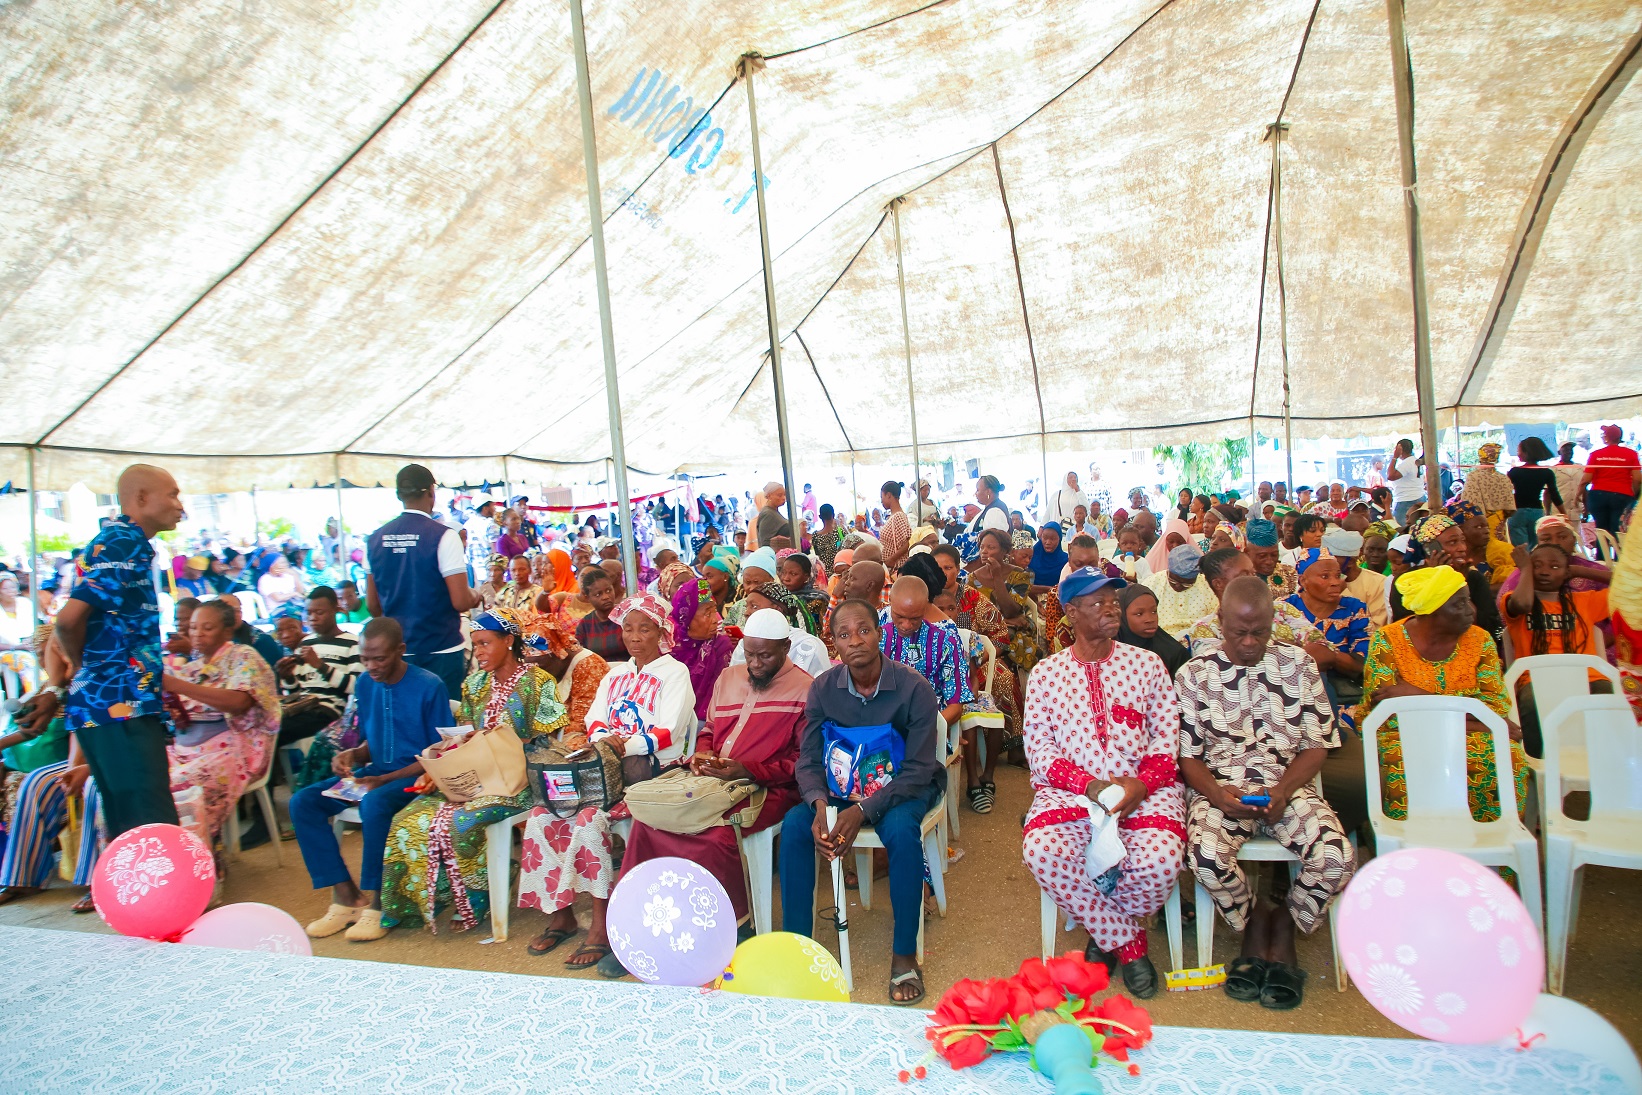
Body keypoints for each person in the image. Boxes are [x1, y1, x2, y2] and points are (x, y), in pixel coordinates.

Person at [1177, 576, 1357, 1011]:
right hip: (1221, 789)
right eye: (1239, 632)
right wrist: (1217, 794)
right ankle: (1255, 920)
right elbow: (1187, 758)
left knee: (1338, 856)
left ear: (1274, 621)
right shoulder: (1193, 675)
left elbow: (1316, 747)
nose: (1251, 642)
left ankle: (1285, 926)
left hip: (1287, 785)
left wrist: (1282, 789)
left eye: (1260, 631)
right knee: (1203, 854)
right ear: (1219, 622)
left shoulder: (1299, 664)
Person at [1021, 568, 1184, 998]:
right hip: (1072, 792)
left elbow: (1167, 739)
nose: (1112, 610)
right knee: (1042, 850)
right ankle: (1128, 943)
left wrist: (1140, 785)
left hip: (1144, 791)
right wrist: (1089, 785)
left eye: (1114, 601)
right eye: (1099, 604)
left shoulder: (1148, 665)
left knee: (1162, 859)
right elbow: (1039, 749)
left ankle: (1103, 933)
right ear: (1072, 613)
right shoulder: (1045, 674)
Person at [518, 593, 696, 970]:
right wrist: (606, 740)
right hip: (601, 769)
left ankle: (601, 925)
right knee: (541, 815)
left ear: (661, 631)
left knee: (588, 820)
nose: (633, 636)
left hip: (649, 774)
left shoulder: (674, 672)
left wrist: (622, 743)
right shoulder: (616, 674)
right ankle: (561, 914)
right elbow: (594, 720)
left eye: (644, 628)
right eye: (628, 628)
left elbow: (669, 731)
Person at [782, 598, 944, 1004]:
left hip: (903, 789)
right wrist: (820, 805)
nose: (855, 641)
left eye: (864, 630)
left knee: (902, 833)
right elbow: (809, 758)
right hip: (842, 790)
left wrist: (863, 811)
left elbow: (920, 768)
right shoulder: (823, 688)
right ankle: (800, 950)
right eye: (843, 634)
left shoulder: (912, 687)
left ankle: (904, 955)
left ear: (880, 632)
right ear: (832, 642)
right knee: (796, 826)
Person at [619, 608, 809, 939]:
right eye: (749, 653)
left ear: (785, 649)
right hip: (711, 779)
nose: (755, 664)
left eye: (764, 655)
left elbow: (801, 763)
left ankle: (729, 930)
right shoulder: (729, 678)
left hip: (769, 788)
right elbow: (708, 729)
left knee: (715, 833)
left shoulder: (807, 689)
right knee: (649, 819)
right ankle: (641, 924)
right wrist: (703, 752)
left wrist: (748, 771)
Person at [379, 608, 569, 935]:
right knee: (407, 819)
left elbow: (548, 740)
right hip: (473, 775)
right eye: (474, 644)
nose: (478, 652)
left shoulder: (539, 681)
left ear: (509, 640)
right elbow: (461, 734)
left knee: (461, 821)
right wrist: (437, 770)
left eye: (485, 643)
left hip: (518, 780)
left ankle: (479, 891)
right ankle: (414, 899)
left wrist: (501, 742)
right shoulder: (474, 683)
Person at [19, 465, 184, 838]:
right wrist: (82, 666)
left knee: (130, 819)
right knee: (151, 818)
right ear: (141, 498)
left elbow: (81, 620)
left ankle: (143, 896)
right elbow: (67, 620)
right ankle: (163, 896)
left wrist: (76, 676)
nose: (180, 505)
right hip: (120, 703)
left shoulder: (114, 541)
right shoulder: (125, 542)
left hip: (112, 704)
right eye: (172, 494)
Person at [292, 617, 450, 941]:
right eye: (365, 658)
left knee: (375, 803)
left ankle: (380, 905)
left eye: (380, 658)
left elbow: (439, 754)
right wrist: (351, 756)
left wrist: (384, 779)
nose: (371, 666)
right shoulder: (365, 684)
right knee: (304, 803)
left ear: (401, 650)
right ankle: (347, 898)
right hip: (375, 775)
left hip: (418, 780)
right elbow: (372, 745)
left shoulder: (429, 684)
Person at [1360, 568, 1528, 826]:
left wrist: (1416, 695)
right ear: (1431, 612)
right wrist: (1476, 720)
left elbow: (1494, 707)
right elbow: (1388, 716)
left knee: (1506, 757)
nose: (1471, 609)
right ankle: (1410, 852)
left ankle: (1490, 850)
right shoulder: (1388, 641)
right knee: (1401, 762)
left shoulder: (1480, 640)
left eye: (1468, 599)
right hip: (1402, 736)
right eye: (1459, 603)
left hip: (1463, 733)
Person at [161, 598, 281, 849]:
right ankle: (163, 860)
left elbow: (239, 703)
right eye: (193, 627)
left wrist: (178, 686)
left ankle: (197, 860)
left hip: (232, 751)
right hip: (185, 751)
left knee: (183, 788)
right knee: (148, 782)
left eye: (207, 628)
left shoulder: (243, 657)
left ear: (227, 631)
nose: (197, 634)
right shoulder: (190, 667)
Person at [365, 464, 477, 699]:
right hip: (442, 649)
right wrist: (475, 595)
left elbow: (374, 606)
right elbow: (460, 601)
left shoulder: (375, 539)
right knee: (444, 725)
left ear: (398, 495)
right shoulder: (444, 536)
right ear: (431, 493)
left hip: (397, 653)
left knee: (405, 724)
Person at [1500, 543, 1612, 757]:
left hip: (1588, 677)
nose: (1543, 571)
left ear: (1566, 572)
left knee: (1607, 696)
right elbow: (1523, 604)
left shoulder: (1584, 601)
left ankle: (1603, 761)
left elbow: (1632, 585)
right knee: (1531, 703)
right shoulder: (1514, 600)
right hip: (1536, 680)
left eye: (1554, 567)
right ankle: (1538, 764)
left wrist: (1578, 570)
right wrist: (1524, 570)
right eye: (1537, 565)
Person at [882, 571, 976, 808]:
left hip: (930, 728)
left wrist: (928, 729)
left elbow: (956, 703)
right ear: (889, 604)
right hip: (882, 727)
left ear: (926, 608)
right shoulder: (878, 636)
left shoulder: (945, 641)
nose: (906, 625)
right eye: (899, 616)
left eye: (914, 619)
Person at [1286, 549, 1373, 730]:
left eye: (1337, 575)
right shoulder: (1285, 609)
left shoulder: (1355, 610)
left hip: (1344, 697)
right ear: (1303, 581)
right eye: (1325, 577)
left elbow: (1362, 665)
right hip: (1292, 694)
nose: (1335, 583)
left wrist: (1325, 654)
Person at [272, 586, 361, 753]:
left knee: (272, 732)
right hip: (303, 707)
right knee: (265, 726)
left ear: (336, 610)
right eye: (309, 613)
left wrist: (320, 666)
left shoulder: (353, 643)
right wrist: (288, 678)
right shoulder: (306, 644)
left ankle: (272, 775)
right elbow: (296, 692)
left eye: (319, 613)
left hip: (330, 711)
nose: (313, 618)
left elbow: (357, 687)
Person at [1188, 547, 1323, 654]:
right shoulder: (1205, 628)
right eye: (1244, 575)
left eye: (1253, 573)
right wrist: (1289, 648)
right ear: (1218, 584)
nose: (1253, 579)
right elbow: (1222, 670)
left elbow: (1324, 651)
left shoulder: (1282, 610)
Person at [522, 608, 611, 730]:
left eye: (541, 667)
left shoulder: (589, 666)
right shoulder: (539, 669)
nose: (538, 673)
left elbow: (584, 724)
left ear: (558, 653)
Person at [671, 577, 735, 726]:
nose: (715, 620)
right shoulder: (668, 646)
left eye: (715, 611)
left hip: (704, 722)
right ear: (686, 618)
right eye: (707, 613)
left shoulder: (720, 646)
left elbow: (717, 700)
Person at [1143, 544, 1214, 641]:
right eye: (1173, 581)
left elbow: (1215, 620)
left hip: (1199, 641)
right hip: (1159, 640)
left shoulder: (1207, 587)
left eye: (1186, 584)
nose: (1178, 586)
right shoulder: (1152, 584)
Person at [1116, 584, 1188, 678]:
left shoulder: (1174, 654)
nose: (1150, 619)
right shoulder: (1107, 651)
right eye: (1139, 614)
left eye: (1154, 611)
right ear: (1122, 615)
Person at [1583, 424, 1640, 535]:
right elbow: (1637, 479)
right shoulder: (1631, 454)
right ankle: (1617, 552)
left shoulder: (1595, 454)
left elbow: (1586, 480)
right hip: (1622, 495)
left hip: (1598, 496)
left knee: (1601, 530)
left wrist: (1579, 496)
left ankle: (1601, 552)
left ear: (1607, 437)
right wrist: (1634, 494)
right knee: (1618, 530)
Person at [1505, 437, 1562, 546]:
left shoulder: (1515, 472)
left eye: (1519, 451)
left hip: (1517, 511)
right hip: (1537, 512)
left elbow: (1506, 493)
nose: (1518, 454)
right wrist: (1563, 513)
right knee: (1536, 546)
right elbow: (1554, 495)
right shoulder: (1547, 473)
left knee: (1520, 547)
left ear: (1526, 452)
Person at [573, 566, 628, 663]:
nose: (606, 597)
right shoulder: (585, 624)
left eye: (608, 590)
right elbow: (579, 656)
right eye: (598, 594)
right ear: (587, 597)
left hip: (628, 671)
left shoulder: (626, 615)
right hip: (598, 674)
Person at [1244, 519, 1298, 597]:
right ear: (1247, 553)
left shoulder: (1289, 574)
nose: (1269, 561)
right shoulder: (1239, 579)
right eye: (1262, 556)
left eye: (1274, 555)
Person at [778, 551, 829, 626]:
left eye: (793, 574)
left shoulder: (818, 600)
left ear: (806, 576)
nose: (786, 578)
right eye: (783, 572)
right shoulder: (778, 599)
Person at [463, 498, 502, 583]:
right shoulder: (491, 524)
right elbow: (495, 549)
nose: (495, 509)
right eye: (492, 506)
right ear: (485, 508)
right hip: (490, 570)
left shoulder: (467, 524)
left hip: (474, 570)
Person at [1387, 438, 1425, 525]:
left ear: (1400, 449)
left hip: (1406, 500)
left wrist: (1394, 458)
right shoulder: (1414, 460)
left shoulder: (1407, 463)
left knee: (1402, 528)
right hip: (1417, 496)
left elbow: (1391, 476)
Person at [877, 481, 911, 572]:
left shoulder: (898, 516)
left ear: (888, 495)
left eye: (882, 497)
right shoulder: (893, 516)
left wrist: (892, 559)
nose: (881, 501)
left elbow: (908, 542)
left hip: (896, 568)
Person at [1029, 522, 1070, 595]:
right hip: (1032, 599)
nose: (1048, 542)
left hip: (1056, 601)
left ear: (1059, 539)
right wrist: (1048, 589)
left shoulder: (1066, 561)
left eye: (1053, 539)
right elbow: (1024, 586)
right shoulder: (1031, 556)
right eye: (1045, 538)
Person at [1552, 442, 1585, 525]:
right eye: (1566, 450)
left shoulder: (1580, 468)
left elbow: (1584, 489)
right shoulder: (1553, 469)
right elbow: (1548, 493)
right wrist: (1547, 512)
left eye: (1570, 450)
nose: (1569, 452)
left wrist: (1586, 510)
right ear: (1559, 452)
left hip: (1576, 511)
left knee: (1576, 536)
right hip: (1558, 512)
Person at [756, 482, 793, 549]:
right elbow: (765, 543)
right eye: (779, 495)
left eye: (784, 495)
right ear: (769, 496)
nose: (783, 498)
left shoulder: (773, 511)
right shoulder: (768, 514)